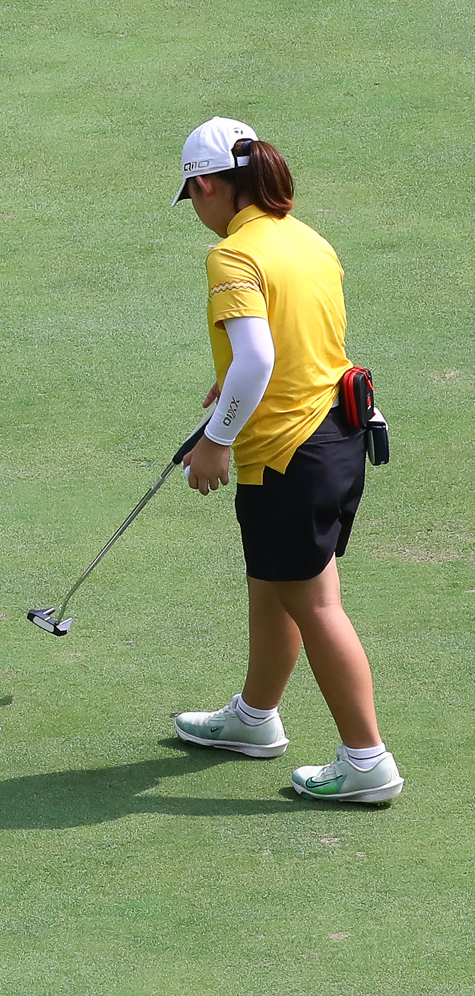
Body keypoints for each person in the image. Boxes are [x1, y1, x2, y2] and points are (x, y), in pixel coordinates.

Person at [168, 117, 400, 802]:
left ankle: (366, 758)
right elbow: (298, 345)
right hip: (337, 436)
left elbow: (259, 358)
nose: (197, 213)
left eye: (193, 197)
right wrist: (231, 386)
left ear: (208, 185)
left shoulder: (234, 256)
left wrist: (216, 439)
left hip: (287, 455)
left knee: (314, 601)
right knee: (272, 582)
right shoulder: (308, 240)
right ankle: (254, 717)